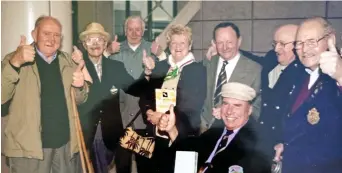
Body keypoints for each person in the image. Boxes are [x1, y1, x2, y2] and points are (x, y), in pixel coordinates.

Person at [1, 16, 89, 173]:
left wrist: (80, 86)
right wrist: (15, 64)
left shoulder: (67, 61)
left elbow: (80, 100)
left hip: (65, 146)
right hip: (28, 150)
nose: (52, 39)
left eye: (56, 35)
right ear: (34, 35)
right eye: (46, 33)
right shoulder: (13, 59)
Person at [74, 22, 146, 173]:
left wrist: (147, 72)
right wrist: (79, 65)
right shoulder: (76, 66)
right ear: (84, 45)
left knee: (135, 158)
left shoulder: (116, 66)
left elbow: (135, 88)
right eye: (90, 40)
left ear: (105, 43)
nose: (95, 44)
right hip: (90, 131)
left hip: (117, 129)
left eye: (99, 40)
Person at [273, 17, 342, 173]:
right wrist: (287, 146)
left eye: (311, 42)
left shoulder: (337, 76)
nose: (304, 50)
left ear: (330, 39)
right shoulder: (302, 75)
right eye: (299, 43)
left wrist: (340, 76)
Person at [153, 82, 271, 173]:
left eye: (237, 105)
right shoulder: (216, 131)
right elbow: (191, 149)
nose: (229, 111)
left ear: (249, 110)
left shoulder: (258, 141)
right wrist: (172, 129)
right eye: (225, 104)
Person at [106, 15, 165, 173]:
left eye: (138, 29)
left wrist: (161, 55)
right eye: (130, 29)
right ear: (125, 31)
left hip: (144, 120)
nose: (134, 33)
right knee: (122, 167)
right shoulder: (115, 51)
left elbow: (167, 78)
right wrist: (107, 51)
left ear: (144, 30)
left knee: (145, 168)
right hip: (122, 121)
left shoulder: (153, 50)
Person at [257, 24, 305, 162]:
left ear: (297, 45)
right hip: (263, 141)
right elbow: (257, 60)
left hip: (283, 145)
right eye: (275, 43)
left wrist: (285, 143)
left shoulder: (303, 74)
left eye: (282, 44)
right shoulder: (272, 60)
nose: (277, 49)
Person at [201, 22, 262, 132]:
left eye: (229, 42)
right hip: (202, 131)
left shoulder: (255, 70)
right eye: (220, 42)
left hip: (232, 136)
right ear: (214, 43)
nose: (225, 47)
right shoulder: (207, 64)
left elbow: (257, 109)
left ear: (239, 41)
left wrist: (229, 113)